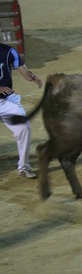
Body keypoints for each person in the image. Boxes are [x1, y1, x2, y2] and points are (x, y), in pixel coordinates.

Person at [0, 42, 42, 178]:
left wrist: (31, 76)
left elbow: (23, 70)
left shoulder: (8, 51)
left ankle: (23, 167)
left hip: (6, 101)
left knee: (24, 128)